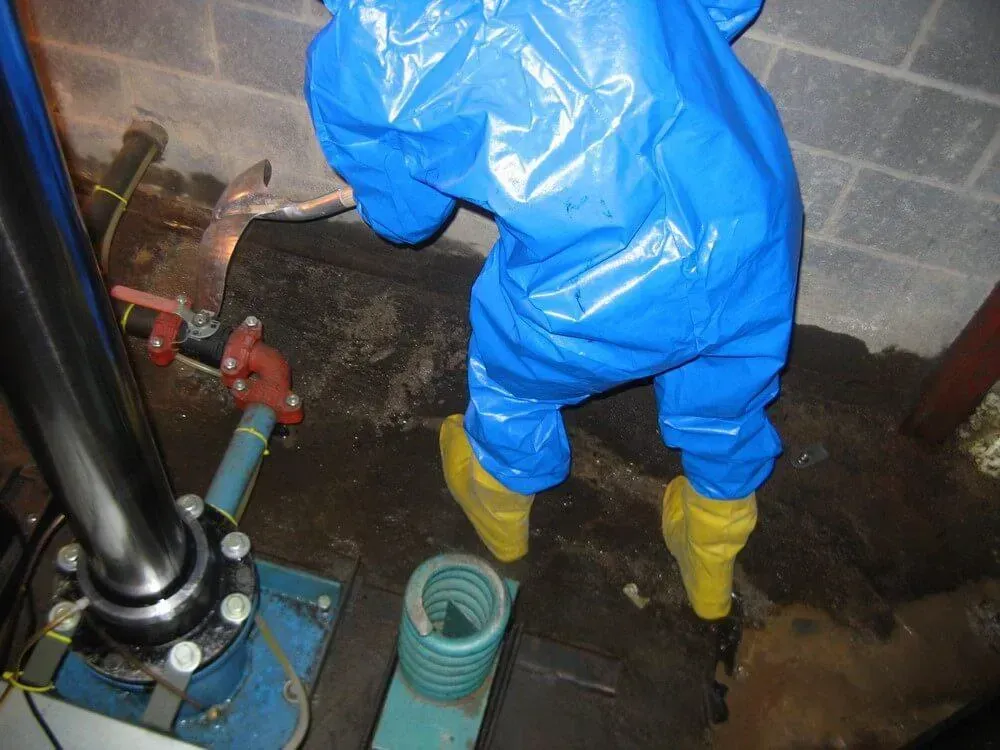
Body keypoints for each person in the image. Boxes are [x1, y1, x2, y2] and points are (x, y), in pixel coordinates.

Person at [306, 0, 802, 620]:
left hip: (597, 281)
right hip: (745, 213)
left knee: (512, 380)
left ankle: (501, 513)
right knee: (729, 395)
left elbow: (409, 220)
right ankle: (711, 563)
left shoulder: (359, 55)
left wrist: (382, 179)